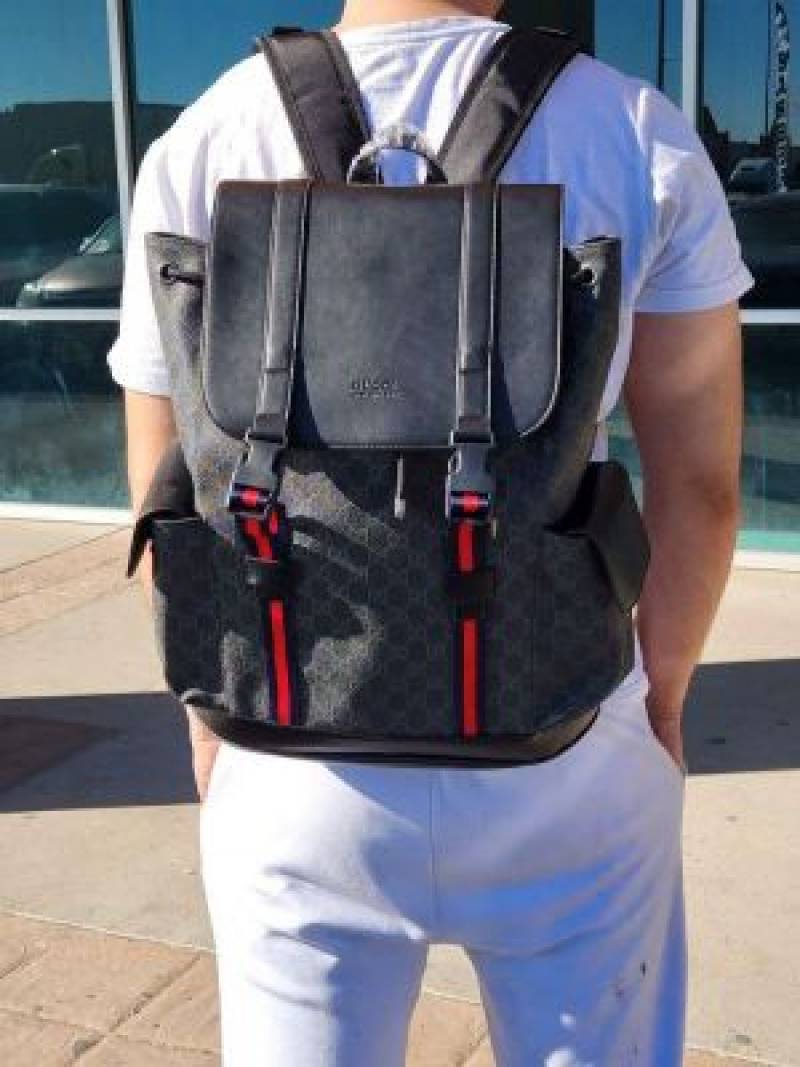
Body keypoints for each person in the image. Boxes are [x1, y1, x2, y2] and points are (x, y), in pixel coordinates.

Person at [108, 2, 752, 1063]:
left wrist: (207, 710)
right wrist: (662, 694)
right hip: (563, 738)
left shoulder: (203, 139)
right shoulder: (632, 131)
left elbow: (163, 485)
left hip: (293, 750)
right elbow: (702, 488)